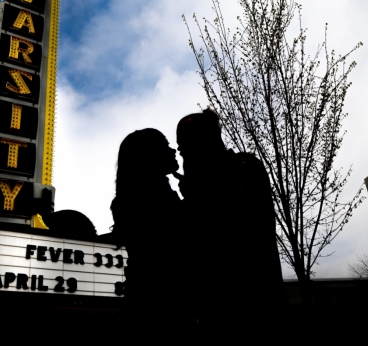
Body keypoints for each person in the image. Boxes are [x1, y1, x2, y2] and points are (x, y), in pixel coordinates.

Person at [176, 110, 284, 337]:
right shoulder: (202, 181)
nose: (181, 152)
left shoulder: (244, 166)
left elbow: (235, 226)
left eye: (184, 143)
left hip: (253, 300)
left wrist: (196, 198)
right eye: (180, 146)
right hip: (217, 306)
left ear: (206, 139)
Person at [110, 128, 193, 334]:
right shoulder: (150, 201)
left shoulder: (134, 199)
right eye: (164, 145)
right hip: (161, 308)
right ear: (148, 155)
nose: (173, 149)